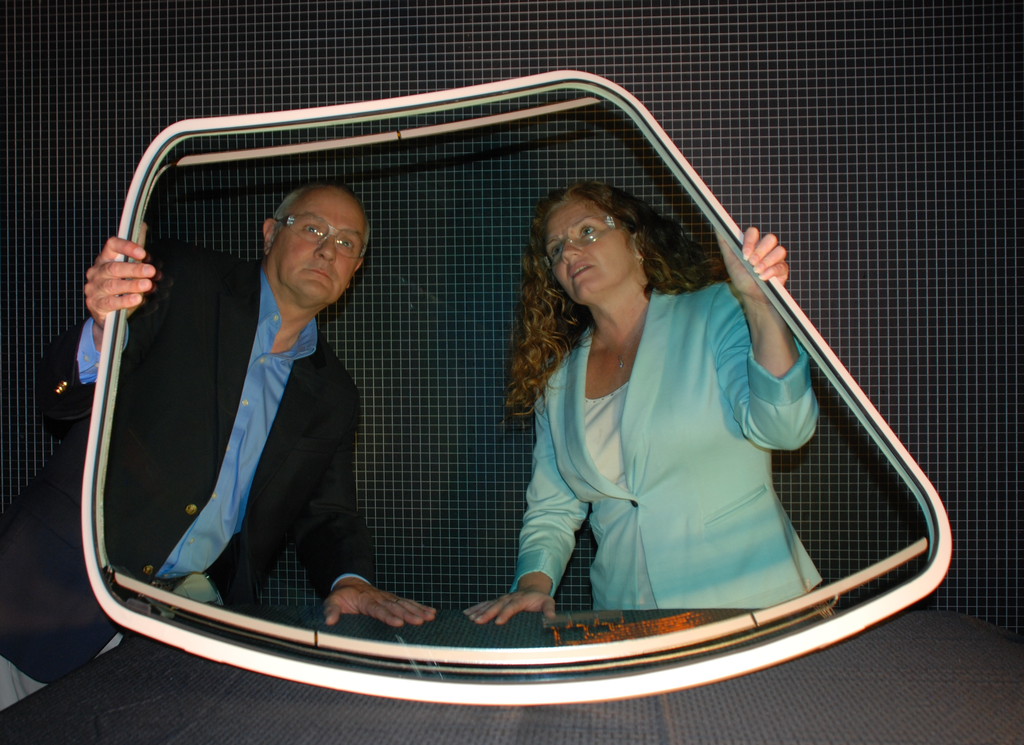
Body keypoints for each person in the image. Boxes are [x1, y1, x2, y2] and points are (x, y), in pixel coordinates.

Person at [0, 182, 435, 708]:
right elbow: (60, 400)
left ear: (355, 270)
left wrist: (351, 580)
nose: (328, 249)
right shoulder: (181, 277)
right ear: (271, 233)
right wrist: (100, 331)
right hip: (54, 589)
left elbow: (329, 513)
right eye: (314, 229)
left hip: (180, 627)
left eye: (347, 243)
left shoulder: (334, 392)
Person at [466, 181, 821, 625]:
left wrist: (760, 306)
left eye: (587, 231)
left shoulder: (716, 310)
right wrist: (532, 586)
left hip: (757, 606)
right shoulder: (557, 380)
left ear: (637, 241)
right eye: (555, 249)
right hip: (626, 618)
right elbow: (553, 507)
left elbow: (786, 429)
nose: (569, 253)